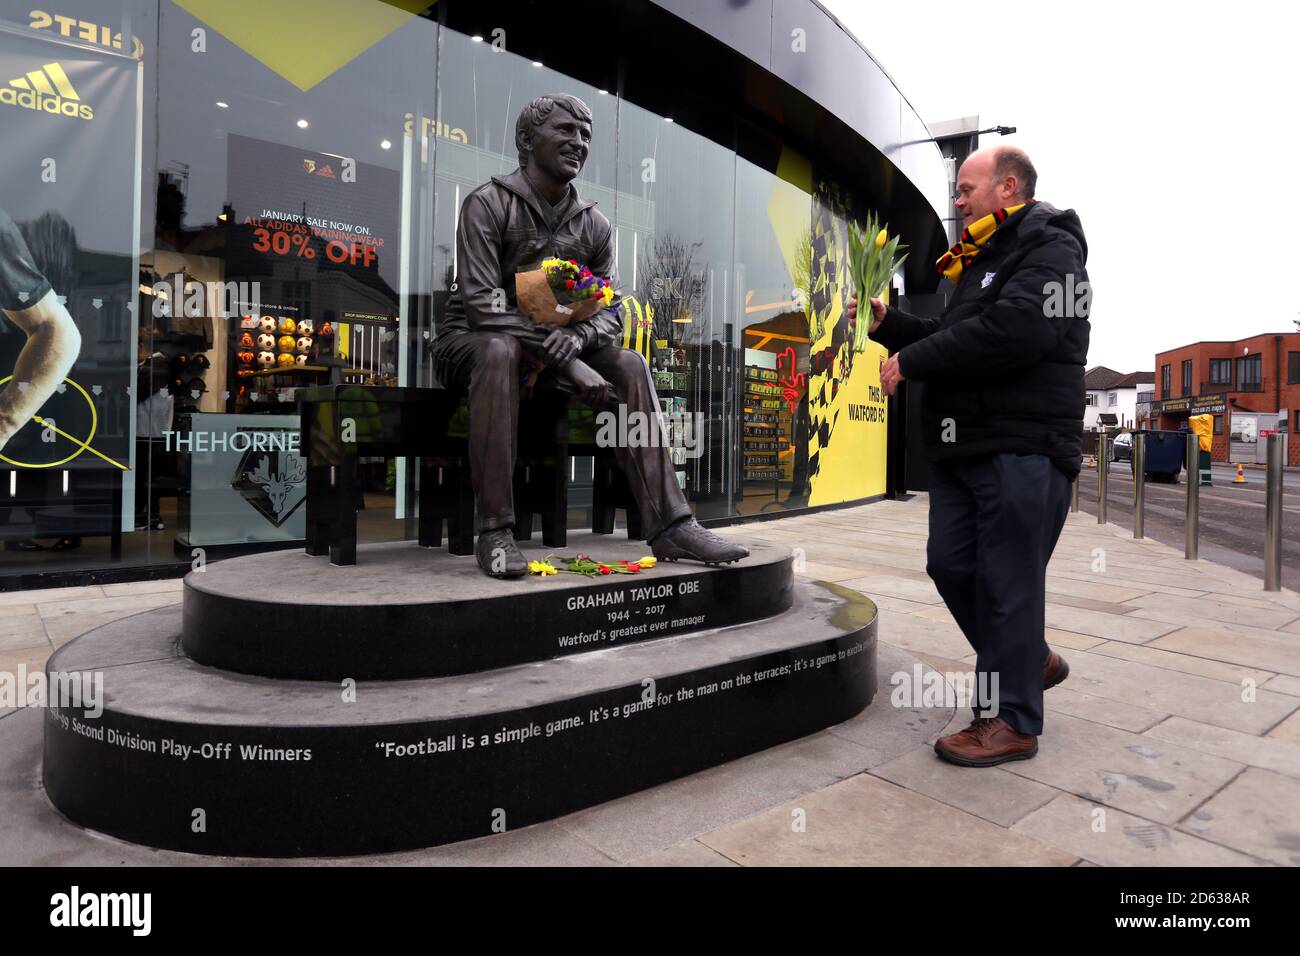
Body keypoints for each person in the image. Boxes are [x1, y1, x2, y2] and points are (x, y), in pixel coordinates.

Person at [431, 94, 749, 578]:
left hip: (552, 355)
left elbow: (613, 308)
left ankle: (670, 524)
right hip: (475, 347)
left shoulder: (594, 224)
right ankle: (495, 531)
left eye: (585, 136)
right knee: (500, 347)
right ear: (525, 140)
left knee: (628, 365)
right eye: (565, 131)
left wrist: (577, 341)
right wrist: (565, 358)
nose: (578, 143)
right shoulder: (487, 204)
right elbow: (480, 306)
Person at [848, 146, 1089, 766]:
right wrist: (891, 325)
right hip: (964, 448)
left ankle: (1010, 721)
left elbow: (1019, 330)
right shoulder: (979, 259)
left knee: (1009, 582)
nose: (957, 201)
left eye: (965, 189)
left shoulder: (1052, 244)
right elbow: (950, 336)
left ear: (1008, 187)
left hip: (1024, 446)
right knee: (950, 565)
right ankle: (1029, 659)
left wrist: (913, 361)